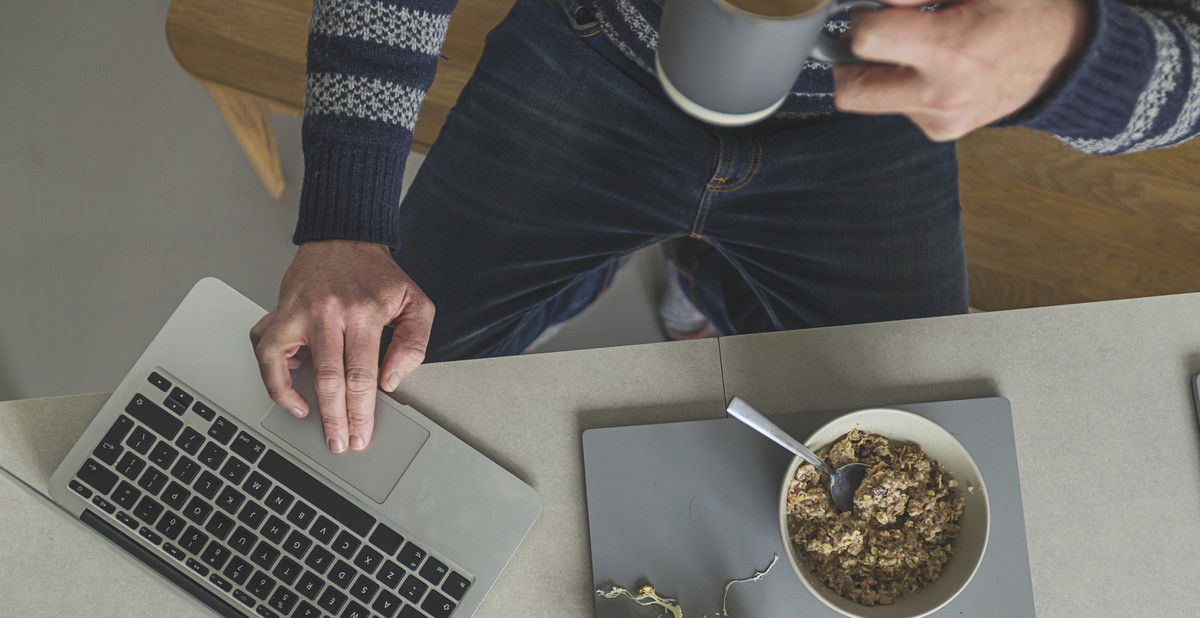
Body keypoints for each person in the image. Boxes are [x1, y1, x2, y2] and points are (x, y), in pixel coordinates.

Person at [250, 0, 1200, 455]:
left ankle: (697, 281)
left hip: (867, 122)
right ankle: (669, 270)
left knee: (905, 461)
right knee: (375, 402)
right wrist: (348, 213)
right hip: (594, 52)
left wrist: (1078, 57)